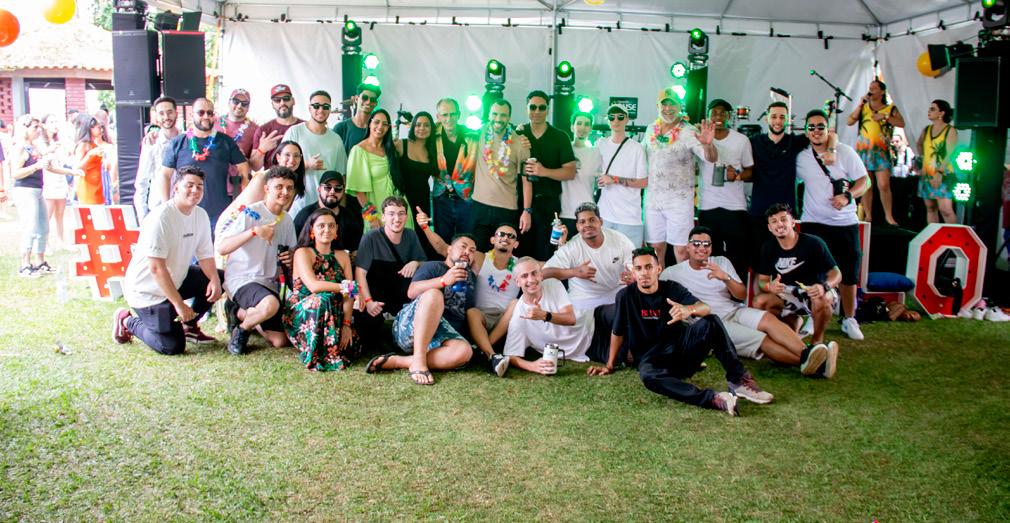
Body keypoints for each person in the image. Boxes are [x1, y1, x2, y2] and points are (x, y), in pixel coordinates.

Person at [588, 247, 774, 416]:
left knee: (711, 321)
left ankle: (738, 381)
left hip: (681, 354)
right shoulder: (625, 296)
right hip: (652, 361)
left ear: (658, 269)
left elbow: (705, 308)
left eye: (649, 267)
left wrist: (688, 310)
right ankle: (715, 399)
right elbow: (617, 332)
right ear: (634, 272)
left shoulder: (671, 288)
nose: (644, 273)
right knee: (648, 376)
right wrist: (609, 365)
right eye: (639, 268)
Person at [662, 226, 838, 378]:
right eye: (696, 243)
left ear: (711, 247)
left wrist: (725, 278)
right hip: (714, 323)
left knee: (768, 319)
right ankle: (819, 366)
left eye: (706, 244)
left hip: (735, 310)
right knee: (763, 340)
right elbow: (657, 296)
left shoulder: (721, 261)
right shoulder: (672, 272)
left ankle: (809, 353)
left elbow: (741, 294)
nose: (702, 248)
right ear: (688, 246)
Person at [113, 165, 223, 354]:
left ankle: (190, 327)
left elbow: (205, 254)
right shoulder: (161, 218)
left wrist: (214, 279)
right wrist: (179, 304)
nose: (195, 190)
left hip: (176, 279)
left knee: (219, 277)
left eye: (199, 186)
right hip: (147, 291)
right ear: (176, 188)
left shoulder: (201, 215)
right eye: (189, 185)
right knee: (172, 346)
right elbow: (156, 268)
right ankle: (127, 321)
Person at [795, 110, 871, 341]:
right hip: (813, 222)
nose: (816, 131)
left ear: (828, 129)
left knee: (849, 272)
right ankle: (813, 315)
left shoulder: (845, 152)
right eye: (811, 127)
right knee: (812, 272)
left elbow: (865, 180)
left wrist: (848, 197)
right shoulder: (801, 157)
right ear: (806, 132)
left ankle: (849, 318)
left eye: (820, 126)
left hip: (845, 222)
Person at [416, 210, 518, 376]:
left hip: (506, 319)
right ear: (492, 239)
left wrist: (560, 245)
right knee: (472, 312)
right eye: (501, 234)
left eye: (511, 236)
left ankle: (482, 350)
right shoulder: (479, 258)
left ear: (516, 244)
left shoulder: (521, 265)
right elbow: (444, 248)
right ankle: (490, 354)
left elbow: (548, 266)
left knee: (516, 304)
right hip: (480, 319)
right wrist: (425, 228)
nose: (505, 238)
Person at [367, 233, 477, 385]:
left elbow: (466, 311)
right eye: (463, 247)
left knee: (464, 351)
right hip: (411, 327)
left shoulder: (471, 278)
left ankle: (401, 361)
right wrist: (443, 280)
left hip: (439, 336)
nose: (467, 252)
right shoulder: (433, 266)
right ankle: (419, 361)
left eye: (472, 250)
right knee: (434, 294)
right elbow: (412, 292)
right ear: (449, 249)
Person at [216, 166, 298, 355]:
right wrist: (254, 232)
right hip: (243, 279)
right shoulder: (251, 213)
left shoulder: (287, 220)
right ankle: (242, 330)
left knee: (280, 341)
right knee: (270, 305)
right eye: (279, 187)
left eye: (289, 188)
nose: (285, 192)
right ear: (267, 189)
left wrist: (290, 256)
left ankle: (238, 312)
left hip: (268, 284)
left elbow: (292, 251)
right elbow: (222, 248)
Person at [749, 101, 837, 262]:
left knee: (786, 261)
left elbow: (830, 134)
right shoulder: (754, 141)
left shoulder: (795, 142)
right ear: (766, 118)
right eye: (774, 116)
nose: (778, 121)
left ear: (788, 120)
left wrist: (831, 151)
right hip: (759, 212)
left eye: (782, 117)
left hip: (786, 213)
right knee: (759, 261)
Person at [641, 89, 717, 265]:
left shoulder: (689, 131)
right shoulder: (651, 129)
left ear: (680, 106)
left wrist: (708, 145)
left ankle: (681, 283)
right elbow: (640, 156)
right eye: (664, 104)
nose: (668, 108)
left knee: (682, 251)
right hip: (652, 200)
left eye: (672, 104)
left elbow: (711, 158)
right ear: (657, 106)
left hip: (679, 201)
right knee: (655, 249)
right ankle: (658, 282)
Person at [755, 204, 844, 347]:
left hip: (814, 291)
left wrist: (824, 286)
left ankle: (817, 342)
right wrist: (769, 286)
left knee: (822, 299)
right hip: (788, 293)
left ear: (793, 222)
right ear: (769, 228)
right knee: (760, 302)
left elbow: (836, 273)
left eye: (783, 219)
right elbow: (762, 281)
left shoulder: (813, 243)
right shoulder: (768, 247)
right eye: (774, 221)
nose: (779, 224)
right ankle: (791, 327)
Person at [162, 98, 251, 231]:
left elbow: (243, 167)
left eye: (210, 113)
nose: (206, 116)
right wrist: (166, 205)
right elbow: (164, 175)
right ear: (191, 115)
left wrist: (243, 201)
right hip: (184, 211)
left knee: (216, 245)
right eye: (201, 112)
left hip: (218, 213)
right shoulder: (178, 142)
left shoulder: (225, 141)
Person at [503, 256, 603, 375]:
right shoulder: (520, 315)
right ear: (517, 282)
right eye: (524, 276)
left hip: (595, 321)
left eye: (534, 273)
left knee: (617, 310)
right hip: (592, 347)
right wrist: (532, 366)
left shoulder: (552, 284)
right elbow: (510, 355)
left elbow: (571, 319)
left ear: (541, 275)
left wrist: (544, 315)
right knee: (621, 357)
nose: (531, 279)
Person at [284, 207, 356, 371]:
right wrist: (344, 286)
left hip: (335, 311)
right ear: (312, 229)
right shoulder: (302, 252)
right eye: (321, 225)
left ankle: (336, 341)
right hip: (304, 309)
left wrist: (346, 325)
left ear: (336, 229)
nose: (327, 230)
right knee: (324, 298)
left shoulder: (343, 255)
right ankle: (318, 354)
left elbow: (350, 294)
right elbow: (314, 286)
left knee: (353, 345)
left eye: (331, 225)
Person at [353, 196, 426, 353]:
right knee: (367, 324)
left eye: (401, 214)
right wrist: (369, 301)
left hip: (401, 294)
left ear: (406, 216)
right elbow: (360, 273)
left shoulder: (411, 235)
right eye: (391, 214)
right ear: (383, 217)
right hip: (375, 293)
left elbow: (424, 263)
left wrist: (415, 263)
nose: (397, 219)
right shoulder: (371, 237)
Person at [516, 90, 577, 261]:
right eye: (533, 107)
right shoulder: (518, 133)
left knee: (546, 254)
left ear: (548, 109)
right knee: (521, 254)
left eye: (541, 107)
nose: (537, 111)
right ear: (526, 108)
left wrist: (544, 171)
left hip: (549, 204)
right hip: (519, 203)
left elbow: (570, 172)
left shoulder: (560, 136)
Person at [696, 99, 754, 277]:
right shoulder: (698, 139)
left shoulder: (741, 140)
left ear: (730, 116)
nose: (718, 116)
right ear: (708, 116)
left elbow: (750, 171)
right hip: (708, 206)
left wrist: (737, 175)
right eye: (714, 112)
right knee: (709, 256)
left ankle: (737, 291)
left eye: (723, 113)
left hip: (735, 207)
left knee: (738, 256)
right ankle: (712, 291)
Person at [542, 202, 635, 312]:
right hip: (583, 296)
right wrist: (575, 272)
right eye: (582, 222)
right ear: (577, 226)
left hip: (615, 292)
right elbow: (544, 273)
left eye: (592, 220)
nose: (587, 225)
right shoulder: (572, 246)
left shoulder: (620, 240)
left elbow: (636, 267)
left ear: (601, 221)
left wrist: (633, 276)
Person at [470, 99, 532, 250]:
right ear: (489, 115)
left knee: (503, 254)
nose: (498, 119)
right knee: (478, 253)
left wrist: (526, 211)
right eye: (495, 114)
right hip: (479, 205)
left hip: (506, 209)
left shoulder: (521, 143)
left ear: (509, 117)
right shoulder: (481, 133)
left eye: (503, 115)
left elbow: (527, 181)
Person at [848, 79, 905, 225]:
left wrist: (885, 117)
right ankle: (868, 216)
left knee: (883, 184)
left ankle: (889, 216)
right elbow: (850, 121)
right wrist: (860, 104)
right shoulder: (864, 107)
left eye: (874, 88)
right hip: (864, 150)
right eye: (870, 87)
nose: (871, 90)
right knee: (867, 184)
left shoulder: (890, 108)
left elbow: (901, 123)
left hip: (881, 151)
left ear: (882, 91)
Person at [283, 90, 347, 214]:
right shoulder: (295, 132)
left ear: (330, 109)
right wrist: (307, 164)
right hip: (298, 206)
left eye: (326, 106)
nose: (321, 110)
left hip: (326, 209)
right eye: (316, 106)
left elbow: (342, 177)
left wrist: (341, 211)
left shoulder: (336, 139)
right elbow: (282, 168)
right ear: (309, 108)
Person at [347, 109, 412, 230]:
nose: (380, 127)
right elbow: (358, 191)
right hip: (377, 210)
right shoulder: (358, 150)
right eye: (376, 122)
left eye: (385, 124)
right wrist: (372, 217)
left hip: (399, 207)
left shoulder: (390, 149)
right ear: (369, 124)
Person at [596, 104, 648, 246]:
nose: (615, 120)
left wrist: (614, 179)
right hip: (605, 215)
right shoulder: (600, 143)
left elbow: (643, 182)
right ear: (607, 120)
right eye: (611, 117)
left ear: (626, 119)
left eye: (620, 117)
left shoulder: (637, 148)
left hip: (629, 217)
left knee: (631, 258)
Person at [10, 115, 55, 277]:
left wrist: (71, 172)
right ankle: (25, 265)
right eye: (35, 127)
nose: (38, 130)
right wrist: (36, 166)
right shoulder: (19, 147)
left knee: (43, 226)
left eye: (39, 127)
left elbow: (47, 166)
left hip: (37, 190)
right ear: (25, 128)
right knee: (30, 227)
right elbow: (15, 173)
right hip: (25, 190)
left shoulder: (34, 147)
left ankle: (40, 262)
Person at [394, 111, 439, 258]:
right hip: (403, 198)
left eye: (426, 125)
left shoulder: (432, 150)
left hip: (423, 199)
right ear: (412, 126)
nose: (422, 128)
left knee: (421, 236)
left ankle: (420, 265)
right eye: (418, 124)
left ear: (431, 128)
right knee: (402, 233)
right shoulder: (401, 144)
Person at [431, 98, 475, 241]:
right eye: (444, 115)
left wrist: (519, 134)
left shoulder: (472, 134)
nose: (449, 119)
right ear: (438, 117)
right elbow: (414, 136)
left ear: (459, 115)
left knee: (466, 240)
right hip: (441, 198)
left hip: (466, 198)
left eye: (453, 114)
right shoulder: (431, 135)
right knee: (442, 241)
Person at [293, 170, 364, 254]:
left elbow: (356, 249)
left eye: (338, 188)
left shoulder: (350, 217)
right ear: (319, 189)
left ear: (343, 191)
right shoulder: (305, 215)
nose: (332, 191)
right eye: (328, 187)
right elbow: (294, 246)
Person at [38, 114, 80, 250]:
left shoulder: (60, 142)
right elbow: (41, 157)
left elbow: (65, 160)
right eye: (51, 122)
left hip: (60, 179)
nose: (54, 124)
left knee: (60, 214)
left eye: (56, 121)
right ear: (44, 125)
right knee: (48, 214)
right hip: (48, 180)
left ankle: (61, 241)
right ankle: (45, 243)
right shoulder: (40, 142)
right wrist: (50, 150)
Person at [135, 96, 180, 219]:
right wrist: (142, 217)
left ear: (176, 113)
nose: (166, 117)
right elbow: (142, 181)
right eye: (161, 113)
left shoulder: (186, 140)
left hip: (182, 206)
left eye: (170, 112)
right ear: (156, 116)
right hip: (158, 208)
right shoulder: (151, 142)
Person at [915, 99, 958, 224]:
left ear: (941, 113)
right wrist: (924, 160)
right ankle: (934, 233)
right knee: (930, 207)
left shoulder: (950, 130)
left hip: (943, 173)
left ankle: (953, 234)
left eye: (933, 109)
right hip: (928, 173)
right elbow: (919, 144)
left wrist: (940, 172)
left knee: (945, 209)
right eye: (930, 109)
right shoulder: (927, 129)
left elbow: (950, 154)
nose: (929, 111)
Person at [216, 89, 260, 200]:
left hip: (238, 185)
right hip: (214, 183)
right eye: (236, 101)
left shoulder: (255, 129)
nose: (240, 106)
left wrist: (242, 158)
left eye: (244, 104)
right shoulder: (214, 123)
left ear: (248, 108)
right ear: (229, 102)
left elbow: (256, 166)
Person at [562, 111, 601, 234]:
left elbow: (600, 183)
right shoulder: (563, 150)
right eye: (579, 123)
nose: (582, 127)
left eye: (587, 124)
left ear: (591, 129)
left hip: (588, 214)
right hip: (565, 212)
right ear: (572, 127)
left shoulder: (596, 153)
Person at [249, 84, 303, 170]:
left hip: (300, 178)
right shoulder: (263, 130)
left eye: (286, 98)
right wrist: (262, 150)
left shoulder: (306, 127)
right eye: (277, 100)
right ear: (272, 105)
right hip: (272, 178)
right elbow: (254, 167)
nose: (282, 103)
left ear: (293, 101)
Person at [333, 83, 381, 154]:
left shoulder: (378, 130)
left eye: (372, 99)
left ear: (376, 103)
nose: (368, 102)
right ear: (356, 99)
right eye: (365, 98)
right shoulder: (341, 128)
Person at [73, 112, 108, 205]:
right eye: (97, 127)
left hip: (98, 185)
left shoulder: (95, 145)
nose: (100, 129)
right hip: (87, 186)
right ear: (89, 128)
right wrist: (89, 155)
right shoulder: (83, 145)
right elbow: (76, 168)